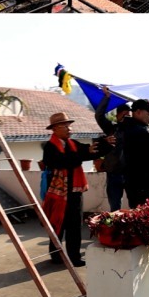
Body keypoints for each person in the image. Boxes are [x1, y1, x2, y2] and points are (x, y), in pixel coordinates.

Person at [42, 112, 100, 267]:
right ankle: (56, 255)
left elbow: (87, 152)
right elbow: (62, 162)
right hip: (58, 194)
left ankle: (74, 257)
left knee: (74, 226)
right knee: (58, 224)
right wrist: (81, 155)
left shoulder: (73, 144)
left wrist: (104, 144)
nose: (69, 129)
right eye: (65, 126)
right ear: (55, 129)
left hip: (74, 192)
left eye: (69, 126)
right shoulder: (49, 147)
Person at [94, 87, 129, 212]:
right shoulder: (111, 129)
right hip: (114, 173)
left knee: (136, 207)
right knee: (115, 207)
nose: (126, 118)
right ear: (118, 115)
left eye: (128, 116)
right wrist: (106, 98)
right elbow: (99, 115)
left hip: (130, 174)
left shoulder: (134, 130)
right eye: (123, 115)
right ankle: (115, 230)